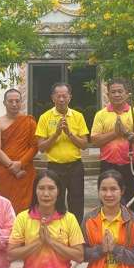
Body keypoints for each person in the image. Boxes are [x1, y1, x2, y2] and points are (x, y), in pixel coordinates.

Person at [35, 82, 90, 223]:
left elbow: (84, 145)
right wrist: (56, 134)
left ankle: (76, 230)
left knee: (76, 202)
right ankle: (56, 229)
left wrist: (70, 134)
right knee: (55, 202)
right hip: (55, 167)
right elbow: (41, 147)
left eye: (64, 96)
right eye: (58, 96)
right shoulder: (45, 117)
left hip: (75, 166)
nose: (61, 99)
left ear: (70, 97)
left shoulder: (78, 116)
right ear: (52, 98)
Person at [90, 79, 134, 211]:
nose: (117, 95)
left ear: (126, 93)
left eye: (120, 91)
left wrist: (126, 132)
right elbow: (95, 140)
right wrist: (114, 133)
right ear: (108, 95)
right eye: (113, 92)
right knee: (107, 198)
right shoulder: (101, 115)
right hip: (108, 164)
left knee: (129, 201)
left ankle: (128, 223)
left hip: (130, 164)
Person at [0, 88, 38, 215]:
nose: (14, 104)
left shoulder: (29, 122)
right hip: (5, 170)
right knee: (6, 204)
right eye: (10, 101)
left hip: (25, 170)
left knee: (27, 204)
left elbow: (34, 147)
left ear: (21, 102)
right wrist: (13, 166)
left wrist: (20, 164)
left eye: (17, 101)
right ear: (4, 103)